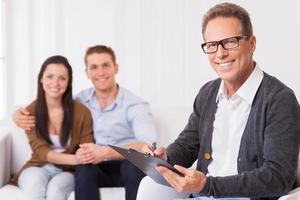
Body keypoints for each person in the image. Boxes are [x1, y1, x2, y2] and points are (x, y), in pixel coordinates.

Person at [142, 2, 300, 199]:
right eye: (212, 45)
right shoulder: (208, 93)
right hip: (202, 195)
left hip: (243, 196)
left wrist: (207, 185)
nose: (220, 53)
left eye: (230, 42)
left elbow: (278, 177)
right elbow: (187, 145)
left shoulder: (280, 99)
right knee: (149, 187)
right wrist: (165, 157)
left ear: (252, 43)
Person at [13, 45, 156, 200]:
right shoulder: (79, 102)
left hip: (125, 167)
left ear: (116, 68)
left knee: (132, 165)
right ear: (87, 72)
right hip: (93, 167)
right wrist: (16, 115)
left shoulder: (134, 104)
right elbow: (52, 100)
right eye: (94, 67)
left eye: (105, 65)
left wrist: (105, 152)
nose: (100, 72)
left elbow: (148, 145)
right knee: (84, 167)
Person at [11, 55, 94, 200]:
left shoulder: (82, 112)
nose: (55, 83)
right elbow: (42, 152)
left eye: (62, 78)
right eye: (50, 76)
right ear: (41, 78)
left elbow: (87, 146)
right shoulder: (30, 112)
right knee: (36, 185)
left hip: (67, 172)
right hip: (37, 167)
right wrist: (76, 159)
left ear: (68, 82)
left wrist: (84, 155)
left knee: (56, 190)